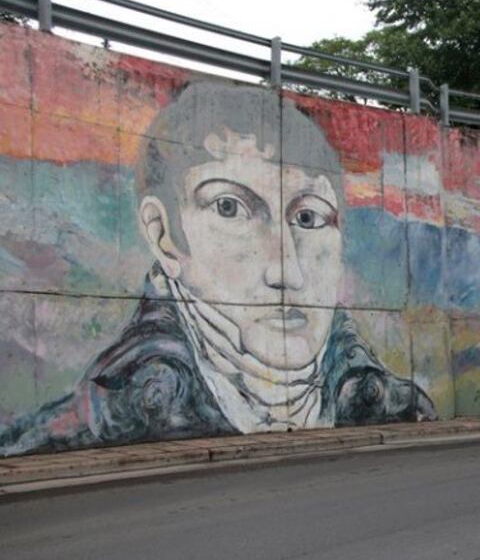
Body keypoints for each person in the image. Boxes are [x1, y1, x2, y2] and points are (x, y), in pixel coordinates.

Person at [0, 82, 436, 457]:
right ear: (164, 235)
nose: (286, 270)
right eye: (230, 208)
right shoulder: (81, 429)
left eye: (308, 218)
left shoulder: (396, 406)